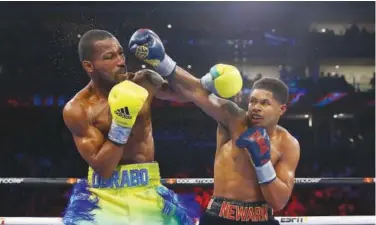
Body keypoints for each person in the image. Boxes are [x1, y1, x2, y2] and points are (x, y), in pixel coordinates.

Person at [129, 29, 300, 225]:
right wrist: (162, 60)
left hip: (260, 219)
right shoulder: (233, 118)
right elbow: (197, 91)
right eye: (253, 101)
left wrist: (262, 163)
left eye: (264, 103)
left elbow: (278, 202)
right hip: (220, 218)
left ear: (282, 109)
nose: (255, 108)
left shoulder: (288, 143)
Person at [61, 29, 220, 225]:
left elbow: (193, 92)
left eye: (120, 53)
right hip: (103, 194)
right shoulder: (78, 108)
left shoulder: (143, 81)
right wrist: (122, 123)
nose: (120, 61)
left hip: (147, 187)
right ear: (89, 66)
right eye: (109, 57)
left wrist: (164, 62)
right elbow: (104, 168)